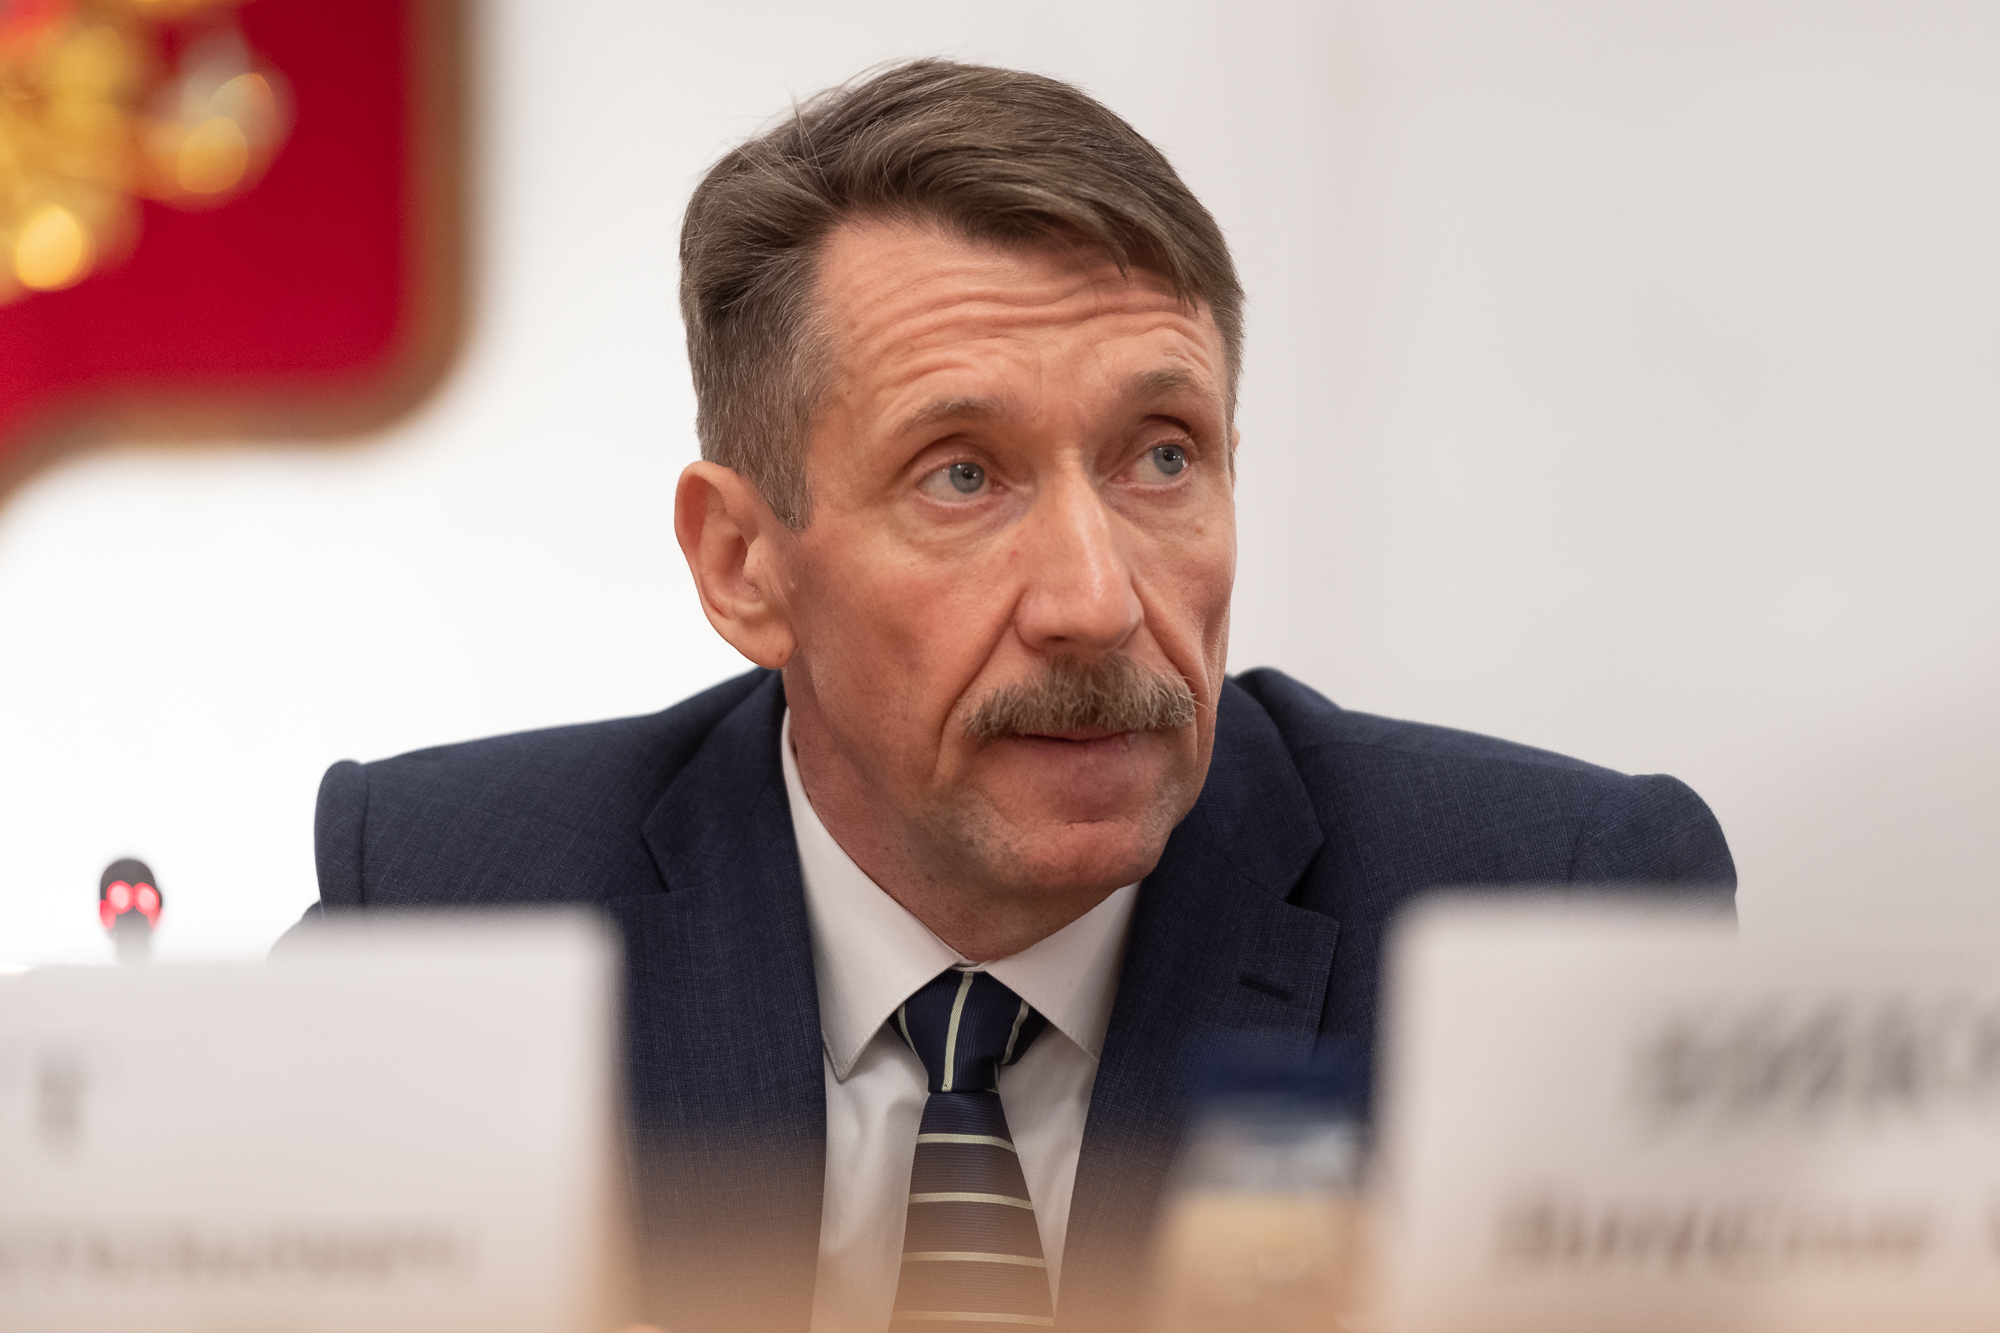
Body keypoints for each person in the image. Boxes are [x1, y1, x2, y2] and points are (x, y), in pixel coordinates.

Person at [284, 59, 1734, 1333]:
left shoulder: (1542, 917)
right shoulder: (451, 914)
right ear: (743, 564)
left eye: (1162, 455)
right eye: (963, 475)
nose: (1095, 602)